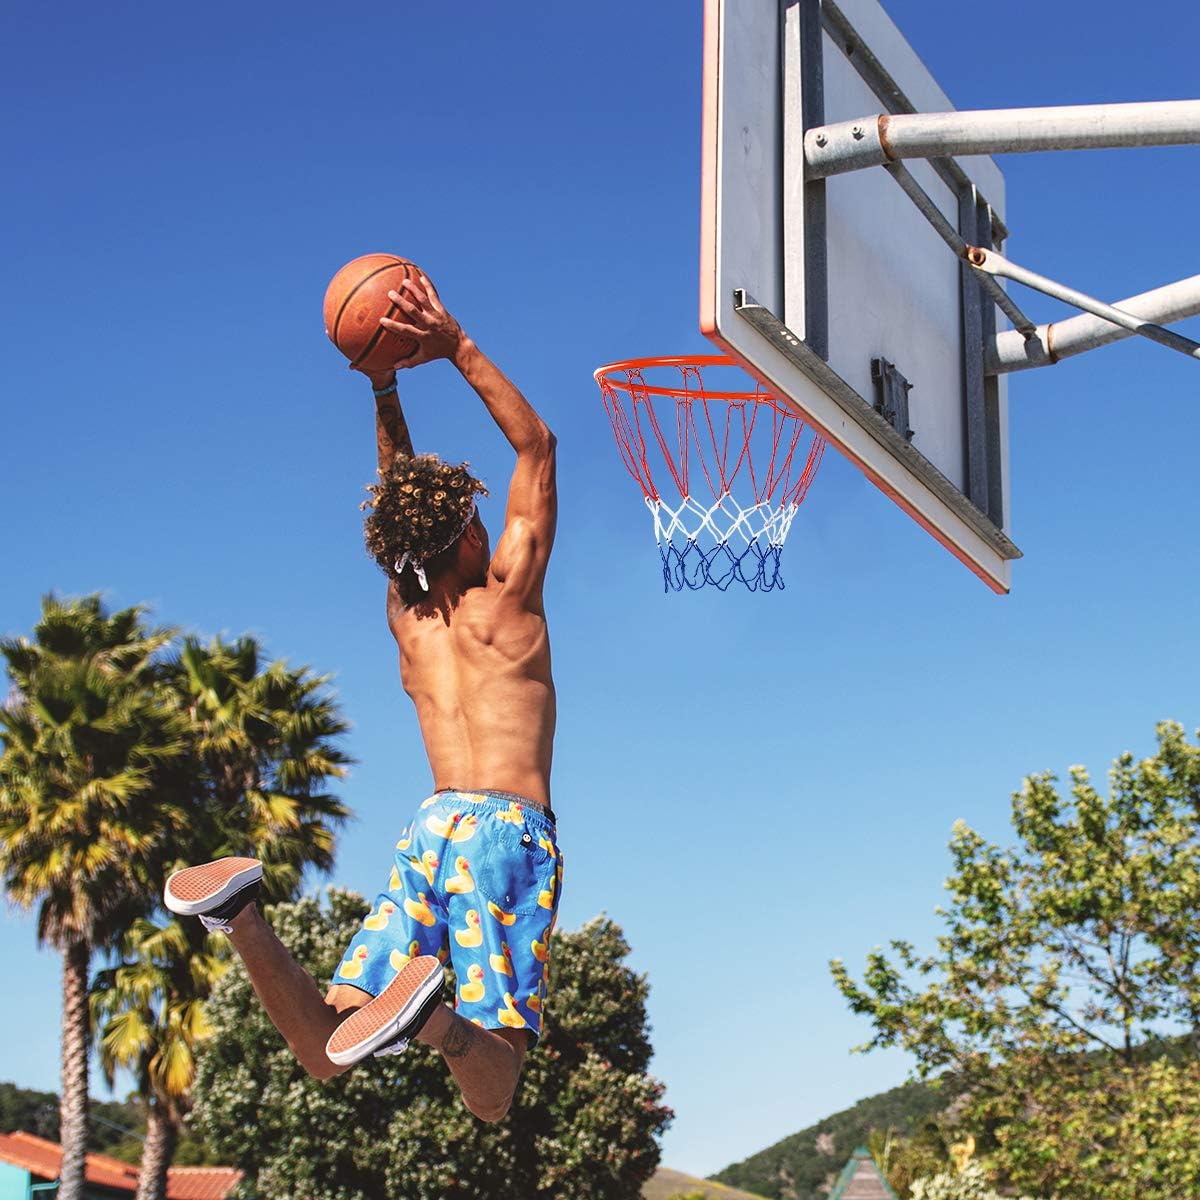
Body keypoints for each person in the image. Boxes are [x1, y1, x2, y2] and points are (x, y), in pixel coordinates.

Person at [164, 273, 561, 1123]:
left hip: (430, 828)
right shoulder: (508, 604)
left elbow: (398, 506)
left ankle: (238, 916)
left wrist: (384, 385)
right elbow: (537, 449)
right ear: (472, 530)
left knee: (327, 1048)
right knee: (492, 1093)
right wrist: (456, 344)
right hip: (505, 833)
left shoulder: (408, 616)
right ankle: (439, 1025)